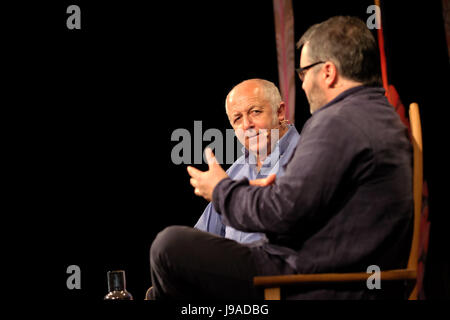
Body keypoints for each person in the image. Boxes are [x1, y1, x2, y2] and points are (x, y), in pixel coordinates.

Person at [150, 16, 413, 299]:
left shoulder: (339, 121)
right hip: (319, 267)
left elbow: (283, 214)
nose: (301, 85)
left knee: (168, 247)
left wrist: (221, 190)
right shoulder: (374, 114)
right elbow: (300, 208)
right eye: (237, 119)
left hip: (310, 276)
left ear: (327, 72)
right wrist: (263, 194)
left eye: (303, 73)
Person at [194, 79, 300, 244]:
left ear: (280, 112)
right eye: (237, 119)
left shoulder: (306, 156)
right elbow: (202, 238)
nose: (246, 125)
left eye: (255, 112)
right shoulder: (234, 172)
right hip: (231, 266)